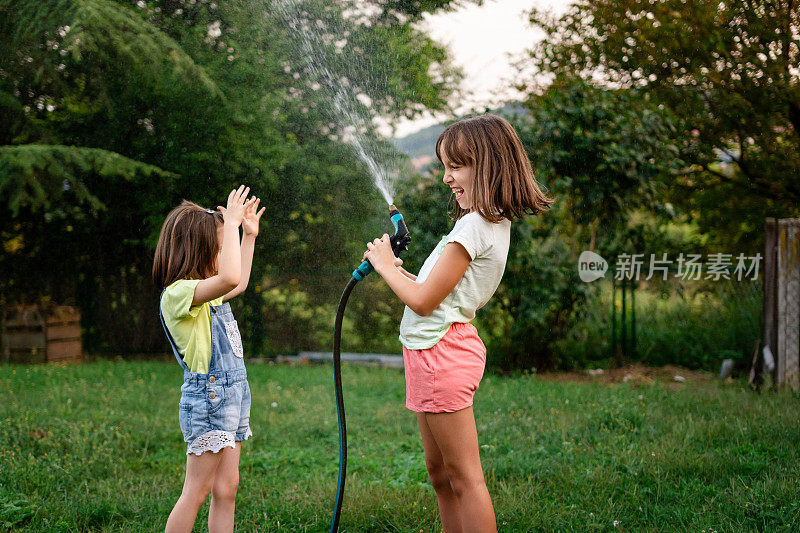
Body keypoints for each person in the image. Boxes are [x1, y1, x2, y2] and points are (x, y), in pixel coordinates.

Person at [363, 114, 554, 532]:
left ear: (487, 165)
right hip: (433, 352)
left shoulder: (472, 226)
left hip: (439, 354)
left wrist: (383, 266)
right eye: (445, 166)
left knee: (464, 477)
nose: (447, 177)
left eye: (456, 166)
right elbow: (437, 290)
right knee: (441, 475)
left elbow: (426, 301)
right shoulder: (485, 223)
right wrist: (401, 273)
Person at [152, 185, 265, 533]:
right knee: (197, 491)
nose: (224, 255)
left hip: (232, 396)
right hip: (209, 398)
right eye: (220, 249)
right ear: (199, 251)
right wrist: (229, 225)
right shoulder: (179, 294)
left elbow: (239, 281)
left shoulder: (206, 294)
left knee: (226, 488)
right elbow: (230, 276)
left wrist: (247, 236)